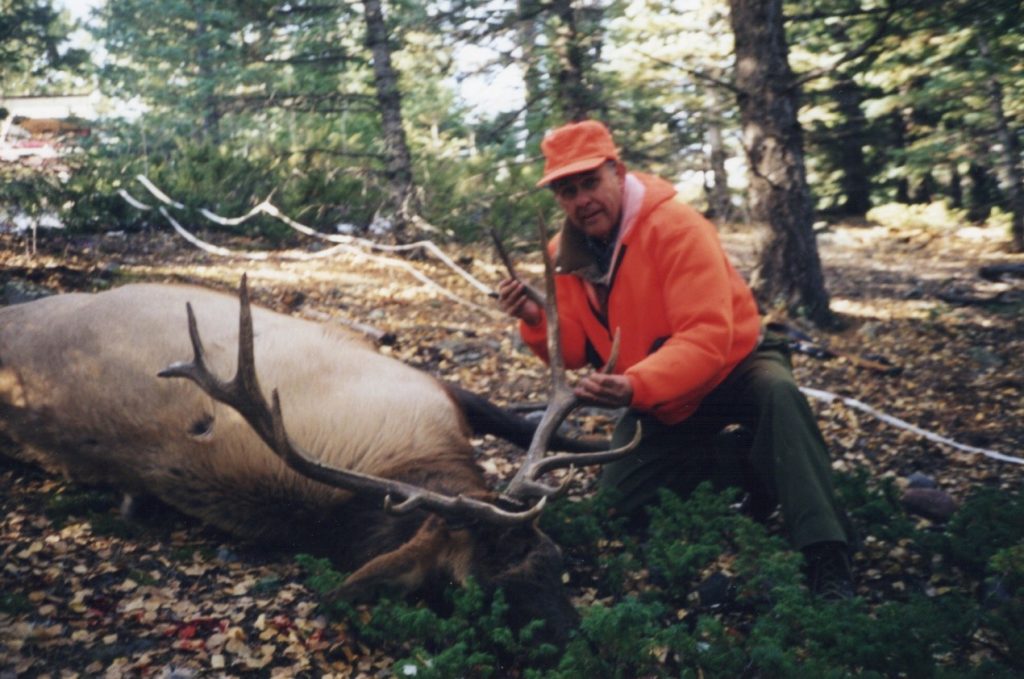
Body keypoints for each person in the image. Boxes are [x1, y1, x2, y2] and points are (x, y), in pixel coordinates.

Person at [497, 119, 855, 599]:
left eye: (590, 183)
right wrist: (536, 320)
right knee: (618, 514)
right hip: (663, 398)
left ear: (618, 173)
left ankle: (825, 551)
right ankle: (750, 467)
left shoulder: (677, 227)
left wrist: (634, 386)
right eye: (566, 190)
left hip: (733, 369)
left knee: (779, 393)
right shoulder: (564, 254)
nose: (581, 200)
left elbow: (707, 336)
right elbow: (580, 349)